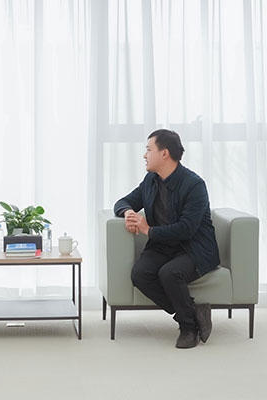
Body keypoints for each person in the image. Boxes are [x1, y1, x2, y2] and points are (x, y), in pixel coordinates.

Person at [113, 129, 219, 349]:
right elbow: (123, 202)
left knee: (169, 273)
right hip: (162, 247)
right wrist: (128, 213)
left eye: (148, 149)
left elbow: (187, 229)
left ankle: (188, 327)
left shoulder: (194, 185)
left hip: (193, 248)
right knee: (140, 275)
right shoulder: (151, 180)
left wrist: (148, 230)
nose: (144, 155)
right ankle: (193, 312)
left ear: (164, 153)